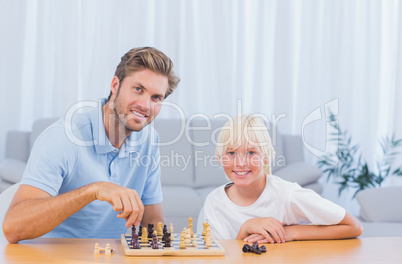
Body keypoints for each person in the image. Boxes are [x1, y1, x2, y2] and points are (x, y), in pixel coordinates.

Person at [3, 47, 180, 243]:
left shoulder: (149, 140)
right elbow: (13, 227)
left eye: (156, 98)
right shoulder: (63, 137)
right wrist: (94, 190)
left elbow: (153, 220)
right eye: (138, 89)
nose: (146, 105)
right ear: (115, 85)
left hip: (116, 256)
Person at [204, 114, 363, 243]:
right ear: (220, 158)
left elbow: (354, 226)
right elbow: (223, 258)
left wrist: (290, 232)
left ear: (266, 158)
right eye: (231, 153)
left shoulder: (288, 194)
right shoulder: (215, 203)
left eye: (251, 153)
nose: (240, 163)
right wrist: (245, 229)